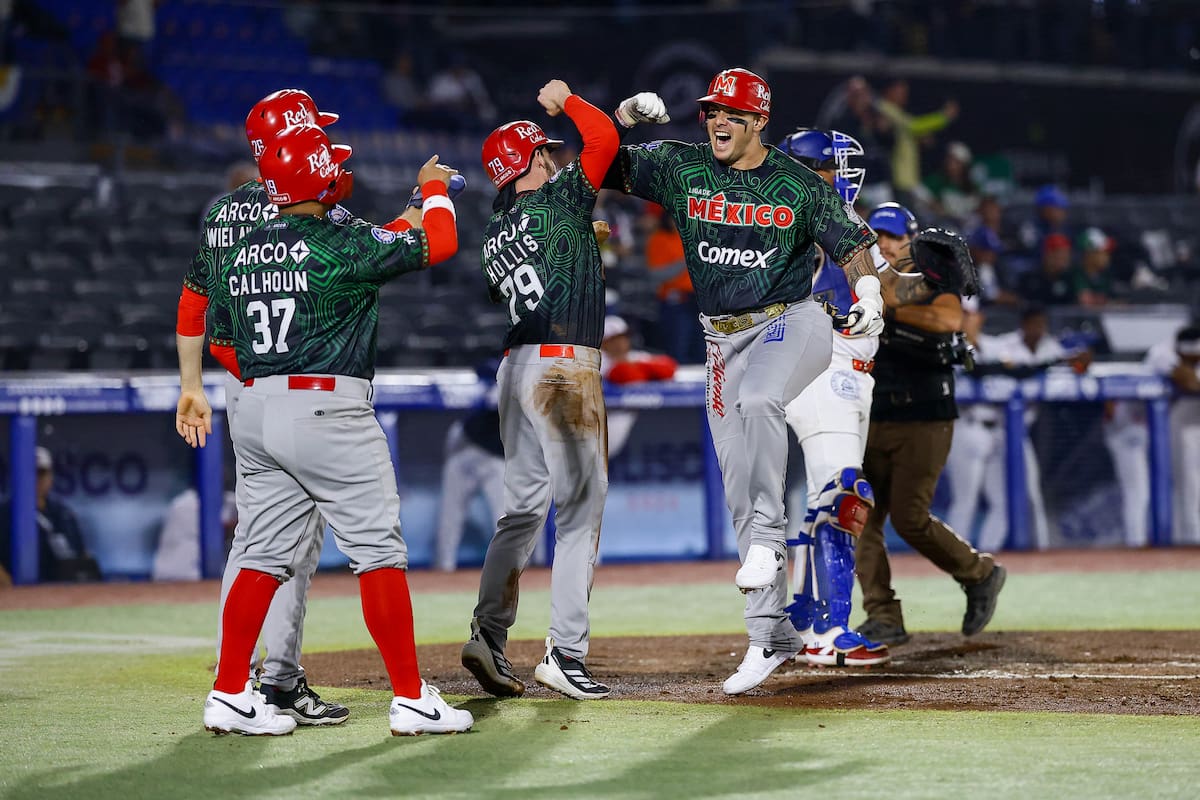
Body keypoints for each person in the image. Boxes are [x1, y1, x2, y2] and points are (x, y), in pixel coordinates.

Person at [602, 68, 888, 695]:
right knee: (738, 487)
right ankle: (771, 636)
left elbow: (853, 240)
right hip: (719, 339)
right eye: (711, 112)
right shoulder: (683, 166)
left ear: (760, 120)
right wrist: (620, 120)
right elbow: (595, 167)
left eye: (731, 112)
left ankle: (767, 542)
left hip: (794, 321)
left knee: (761, 399)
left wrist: (868, 288)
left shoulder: (795, 181)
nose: (718, 121)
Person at [192, 121, 471, 736]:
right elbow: (440, 243)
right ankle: (411, 699)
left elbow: (219, 336)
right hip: (326, 407)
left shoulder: (242, 245)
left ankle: (230, 692)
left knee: (261, 557)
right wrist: (433, 191)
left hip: (257, 407)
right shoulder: (335, 241)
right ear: (316, 174)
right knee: (378, 552)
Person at [461, 80, 669, 701]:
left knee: (521, 510)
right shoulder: (555, 204)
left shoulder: (496, 231)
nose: (553, 158)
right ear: (524, 163)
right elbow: (602, 137)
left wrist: (585, 238)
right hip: (563, 369)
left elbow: (537, 262)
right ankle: (565, 654)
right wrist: (570, 100)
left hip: (516, 369)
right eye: (544, 153)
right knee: (580, 511)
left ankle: (488, 633)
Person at [854, 209, 1006, 648]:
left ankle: (980, 573)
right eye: (877, 235)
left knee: (910, 517)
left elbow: (947, 322)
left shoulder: (933, 274)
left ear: (911, 240)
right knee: (862, 519)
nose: (884, 243)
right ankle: (883, 616)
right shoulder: (865, 279)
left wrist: (883, 308)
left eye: (893, 236)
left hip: (924, 415)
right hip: (872, 415)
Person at [944, 305, 1078, 552]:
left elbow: (1021, 369)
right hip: (967, 428)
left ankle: (986, 555)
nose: (966, 319)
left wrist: (1053, 361)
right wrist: (1002, 369)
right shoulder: (946, 345)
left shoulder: (995, 345)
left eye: (970, 314)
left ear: (979, 317)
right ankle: (953, 556)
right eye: (961, 313)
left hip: (999, 431)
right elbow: (977, 370)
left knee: (1003, 502)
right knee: (966, 501)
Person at [0, 447, 102, 584]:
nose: (36, 479)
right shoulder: (4, 513)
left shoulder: (63, 513)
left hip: (61, 590)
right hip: (19, 590)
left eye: (41, 473)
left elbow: (81, 554)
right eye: (31, 474)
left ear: (50, 476)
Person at [872, 79, 958, 210]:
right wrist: (944, 116)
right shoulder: (884, 107)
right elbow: (914, 126)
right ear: (889, 90)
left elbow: (911, 130)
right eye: (901, 92)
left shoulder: (896, 111)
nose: (904, 96)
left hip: (907, 179)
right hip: (898, 178)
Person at [151, 486, 236, 582]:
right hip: (175, 573)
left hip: (192, 574)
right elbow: (219, 530)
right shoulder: (184, 504)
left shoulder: (228, 499)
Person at [1017, 232, 1076, 306]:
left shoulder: (1070, 279)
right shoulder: (1029, 278)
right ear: (1047, 254)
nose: (1064, 258)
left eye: (1066, 254)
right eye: (1058, 253)